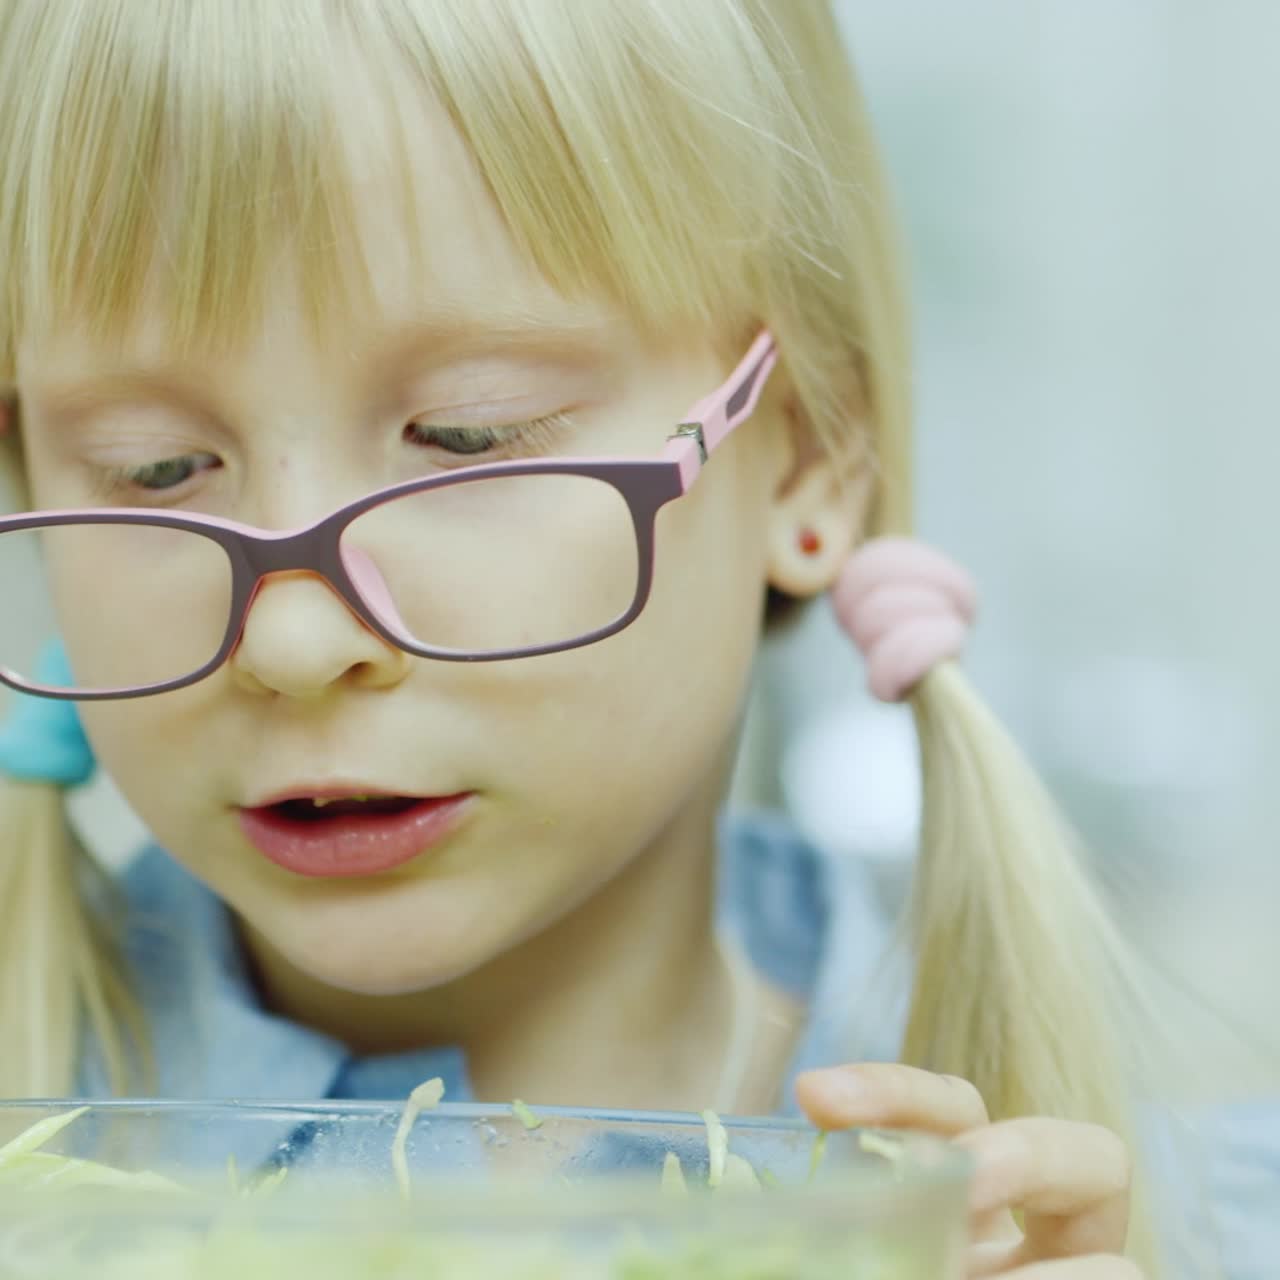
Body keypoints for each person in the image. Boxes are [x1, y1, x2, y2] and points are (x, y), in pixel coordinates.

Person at [0, 2, 1271, 1275]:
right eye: (151, 467)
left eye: (467, 435)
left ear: (813, 457)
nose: (288, 635)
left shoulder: (1155, 1219)